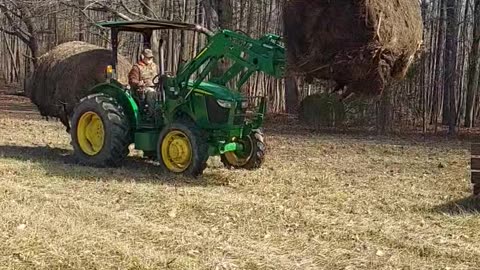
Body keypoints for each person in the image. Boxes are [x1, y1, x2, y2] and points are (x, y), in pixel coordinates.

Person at [128, 48, 159, 113]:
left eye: (151, 57)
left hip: (156, 86)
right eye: (148, 58)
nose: (150, 59)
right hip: (143, 89)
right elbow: (132, 80)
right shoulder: (137, 67)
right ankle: (152, 114)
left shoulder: (154, 66)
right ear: (142, 56)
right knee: (151, 93)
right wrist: (138, 83)